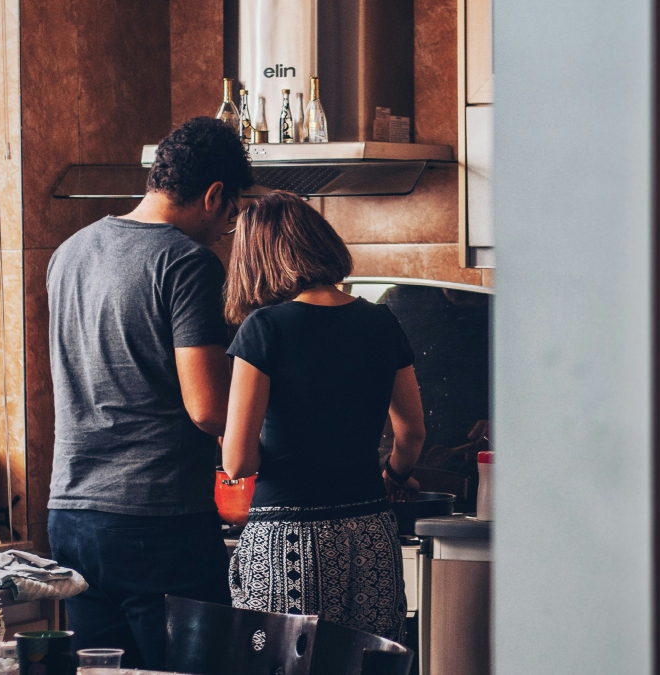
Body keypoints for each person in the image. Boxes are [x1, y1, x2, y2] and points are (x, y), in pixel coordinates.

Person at [45, 117, 253, 668]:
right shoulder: (187, 262)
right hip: (156, 521)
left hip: (71, 514)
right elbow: (209, 409)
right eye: (230, 215)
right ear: (214, 196)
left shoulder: (69, 252)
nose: (224, 230)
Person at [221, 191, 425, 641]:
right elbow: (411, 432)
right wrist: (394, 476)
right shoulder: (381, 321)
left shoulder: (264, 328)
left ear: (256, 259)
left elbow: (237, 463)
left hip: (288, 539)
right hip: (370, 530)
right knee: (368, 663)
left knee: (283, 663)